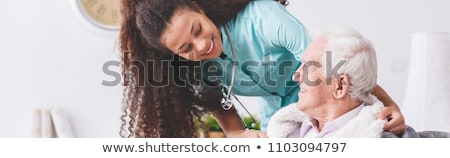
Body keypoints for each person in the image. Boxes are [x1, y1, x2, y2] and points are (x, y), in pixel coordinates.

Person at [118, 0, 406, 138]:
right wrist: (238, 134)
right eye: (185, 48)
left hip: (327, 100)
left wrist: (389, 104)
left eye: (197, 29)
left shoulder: (264, 18)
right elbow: (216, 102)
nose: (201, 45)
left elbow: (334, 64)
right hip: (279, 117)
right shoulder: (199, 67)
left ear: (200, 8)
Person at [266, 27, 450, 138]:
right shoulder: (286, 129)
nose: (295, 76)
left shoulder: (386, 141)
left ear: (339, 87)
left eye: (308, 66)